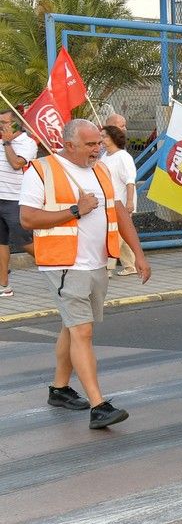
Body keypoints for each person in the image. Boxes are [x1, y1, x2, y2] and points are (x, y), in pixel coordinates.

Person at [18, 118, 151, 429]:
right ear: (70, 145)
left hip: (96, 262)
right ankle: (98, 405)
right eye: (91, 144)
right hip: (65, 264)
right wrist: (76, 210)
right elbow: (27, 218)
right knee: (82, 331)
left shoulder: (100, 170)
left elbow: (118, 212)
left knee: (72, 325)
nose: (98, 148)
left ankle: (60, 389)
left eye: (99, 143)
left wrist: (139, 255)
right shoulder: (41, 170)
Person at [0, 109, 39, 298]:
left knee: (24, 241)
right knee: (1, 242)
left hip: (16, 200)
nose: (1, 125)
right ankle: (4, 285)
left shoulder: (27, 143)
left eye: (4, 122)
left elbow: (16, 164)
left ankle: (56, 266)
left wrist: (7, 142)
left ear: (16, 124)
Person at [100, 125, 138, 277]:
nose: (101, 139)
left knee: (114, 236)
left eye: (104, 136)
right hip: (109, 202)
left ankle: (107, 268)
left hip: (121, 203)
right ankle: (131, 265)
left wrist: (129, 202)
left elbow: (130, 181)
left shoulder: (123, 157)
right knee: (122, 235)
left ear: (113, 138)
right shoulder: (105, 157)